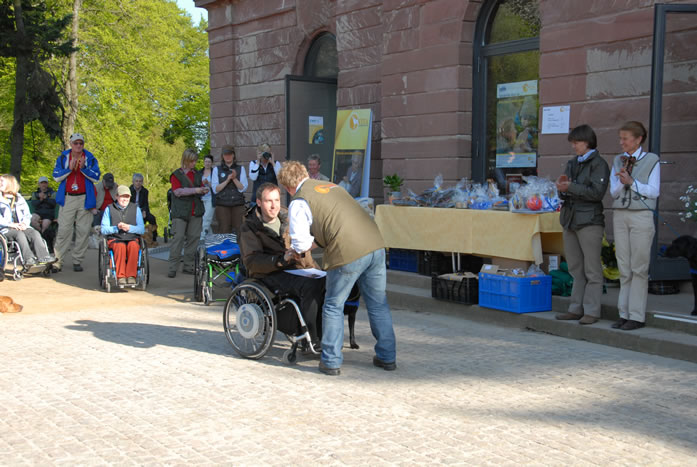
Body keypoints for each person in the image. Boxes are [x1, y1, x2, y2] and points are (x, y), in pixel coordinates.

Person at [278, 161, 396, 376]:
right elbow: (334, 224)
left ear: (287, 187)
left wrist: (294, 251)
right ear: (306, 174)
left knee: (333, 305)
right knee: (378, 304)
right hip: (375, 244)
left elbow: (301, 244)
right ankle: (387, 357)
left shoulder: (299, 201)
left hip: (347, 251)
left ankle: (331, 361)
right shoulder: (332, 187)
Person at [238, 182, 324, 347]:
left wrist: (310, 261)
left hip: (297, 269)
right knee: (310, 285)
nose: (274, 205)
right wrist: (281, 259)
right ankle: (312, 339)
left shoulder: (289, 218)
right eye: (268, 201)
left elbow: (304, 243)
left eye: (277, 200)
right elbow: (252, 261)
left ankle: (323, 335)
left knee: (326, 282)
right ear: (259, 202)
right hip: (269, 273)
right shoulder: (249, 227)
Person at [554, 124, 609, 326]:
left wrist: (571, 187)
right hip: (570, 219)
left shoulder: (599, 164)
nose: (574, 146)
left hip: (590, 221)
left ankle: (592, 311)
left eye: (576, 142)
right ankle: (575, 308)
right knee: (575, 268)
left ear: (587, 142)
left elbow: (596, 193)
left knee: (592, 269)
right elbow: (567, 190)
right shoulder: (572, 163)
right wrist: (561, 189)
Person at [609, 121, 660, 331]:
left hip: (641, 215)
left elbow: (654, 191)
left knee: (639, 267)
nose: (622, 142)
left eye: (625, 139)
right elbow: (613, 192)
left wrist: (632, 182)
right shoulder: (618, 160)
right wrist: (622, 182)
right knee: (624, 265)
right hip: (620, 214)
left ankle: (636, 315)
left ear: (638, 139)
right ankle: (623, 313)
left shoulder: (652, 160)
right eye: (620, 138)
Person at [52, 132, 101, 272]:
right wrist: (69, 169)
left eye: (81, 143)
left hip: (85, 198)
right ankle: (58, 261)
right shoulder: (63, 157)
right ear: (71, 144)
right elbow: (56, 177)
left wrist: (83, 168)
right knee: (64, 230)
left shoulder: (90, 158)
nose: (78, 145)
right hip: (68, 197)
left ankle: (77, 260)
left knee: (83, 230)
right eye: (76, 143)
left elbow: (96, 177)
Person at [168, 148, 208, 278]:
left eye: (195, 161)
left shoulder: (197, 174)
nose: (194, 163)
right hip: (180, 212)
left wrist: (203, 189)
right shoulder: (176, 175)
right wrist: (196, 190)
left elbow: (200, 187)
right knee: (178, 238)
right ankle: (172, 267)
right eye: (192, 161)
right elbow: (177, 192)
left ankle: (188, 266)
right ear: (185, 160)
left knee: (193, 238)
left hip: (195, 211)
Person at [0, 174, 55, 267]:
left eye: (2, 181)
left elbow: (27, 214)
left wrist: (24, 224)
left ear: (10, 183)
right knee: (19, 234)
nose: (0, 183)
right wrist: (11, 225)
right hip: (6, 229)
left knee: (34, 233)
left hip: (21, 226)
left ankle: (44, 257)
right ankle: (28, 258)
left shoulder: (19, 198)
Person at [101, 185, 145, 287]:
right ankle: (121, 276)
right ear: (116, 196)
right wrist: (116, 228)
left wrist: (129, 228)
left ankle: (131, 276)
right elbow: (103, 229)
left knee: (133, 246)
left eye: (127, 196)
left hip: (131, 237)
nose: (125, 199)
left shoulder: (136, 209)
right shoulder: (109, 209)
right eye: (122, 196)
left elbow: (141, 229)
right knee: (120, 246)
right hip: (115, 238)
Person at [211, 145, 247, 234]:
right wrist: (227, 180)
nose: (228, 156)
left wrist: (234, 179)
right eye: (225, 154)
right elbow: (215, 189)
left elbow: (243, 188)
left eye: (230, 154)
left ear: (233, 155)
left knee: (240, 230)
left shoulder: (240, 168)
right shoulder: (216, 169)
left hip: (238, 204)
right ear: (222, 156)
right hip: (222, 204)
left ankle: (240, 244)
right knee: (224, 230)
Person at [129, 173, 158, 240]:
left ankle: (154, 236)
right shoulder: (129, 190)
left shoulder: (145, 191)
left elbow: (145, 203)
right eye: (136, 181)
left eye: (140, 181)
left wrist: (144, 211)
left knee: (152, 218)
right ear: (133, 182)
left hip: (142, 210)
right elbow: (128, 203)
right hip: (132, 210)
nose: (138, 183)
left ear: (142, 182)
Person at [199, 155, 215, 239]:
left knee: (207, 218)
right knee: (203, 218)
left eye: (209, 162)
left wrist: (208, 183)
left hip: (211, 198)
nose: (207, 163)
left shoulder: (214, 172)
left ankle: (201, 238)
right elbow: (196, 184)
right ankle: (211, 238)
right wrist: (202, 183)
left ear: (212, 163)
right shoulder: (199, 172)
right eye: (206, 161)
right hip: (201, 198)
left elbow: (216, 186)